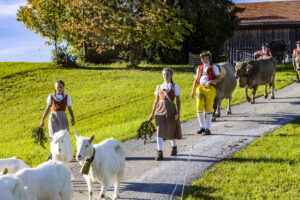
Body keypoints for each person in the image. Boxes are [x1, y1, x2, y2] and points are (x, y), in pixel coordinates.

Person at [149, 68, 182, 161]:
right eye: (164, 74)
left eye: (167, 74)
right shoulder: (159, 86)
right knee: (159, 130)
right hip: (159, 110)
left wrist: (178, 112)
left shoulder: (174, 86)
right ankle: (159, 152)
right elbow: (156, 101)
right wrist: (152, 114)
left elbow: (178, 101)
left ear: (171, 75)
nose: (165, 76)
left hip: (171, 109)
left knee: (171, 128)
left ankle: (174, 147)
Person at [191, 51, 221, 135]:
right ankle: (202, 127)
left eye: (206, 58)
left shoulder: (213, 66)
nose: (205, 59)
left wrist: (210, 81)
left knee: (208, 108)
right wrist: (193, 91)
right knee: (199, 107)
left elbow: (219, 78)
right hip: (200, 88)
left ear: (208, 58)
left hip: (210, 88)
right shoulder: (199, 67)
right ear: (201, 59)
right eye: (203, 58)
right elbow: (196, 80)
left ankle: (208, 128)